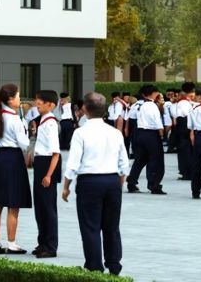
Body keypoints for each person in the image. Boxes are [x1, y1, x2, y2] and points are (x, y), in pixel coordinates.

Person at [61, 92, 129, 276]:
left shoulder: (80, 132)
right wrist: (119, 180)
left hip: (89, 182)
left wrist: (66, 186)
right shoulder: (114, 132)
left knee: (90, 226)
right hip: (112, 180)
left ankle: (94, 266)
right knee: (112, 226)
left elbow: (73, 163)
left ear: (84, 109)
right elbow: (124, 162)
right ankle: (114, 265)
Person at [0, 83, 32, 255]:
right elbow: (24, 144)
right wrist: (28, 130)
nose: (20, 100)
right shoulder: (15, 119)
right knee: (14, 204)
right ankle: (11, 243)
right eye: (18, 96)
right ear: (11, 99)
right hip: (14, 159)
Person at [31, 90, 62, 259]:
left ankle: (50, 246)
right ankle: (42, 241)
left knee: (48, 207)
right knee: (40, 207)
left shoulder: (50, 123)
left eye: (40, 103)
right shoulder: (42, 120)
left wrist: (49, 175)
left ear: (50, 105)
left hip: (47, 165)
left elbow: (55, 153)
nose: (37, 105)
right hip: (41, 163)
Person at [126, 85, 165, 195]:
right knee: (155, 159)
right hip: (151, 134)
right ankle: (154, 184)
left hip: (139, 133)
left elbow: (132, 118)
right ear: (152, 93)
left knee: (140, 159)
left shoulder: (138, 104)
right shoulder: (152, 106)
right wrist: (161, 135)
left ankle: (132, 182)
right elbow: (157, 122)